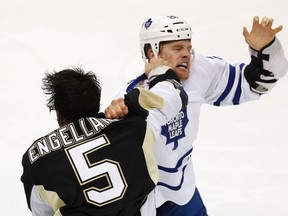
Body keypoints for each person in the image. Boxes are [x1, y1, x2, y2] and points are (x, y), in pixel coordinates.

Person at [104, 15, 288, 215]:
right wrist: (110, 118)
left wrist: (266, 50)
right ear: (152, 52)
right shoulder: (130, 99)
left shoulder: (199, 71)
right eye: (177, 48)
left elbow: (254, 84)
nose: (186, 54)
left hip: (185, 194)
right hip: (147, 204)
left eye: (188, 47)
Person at [20, 64, 188, 216]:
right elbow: (174, 92)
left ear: (57, 112)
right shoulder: (135, 126)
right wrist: (158, 69)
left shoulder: (36, 160)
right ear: (97, 104)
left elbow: (42, 211)